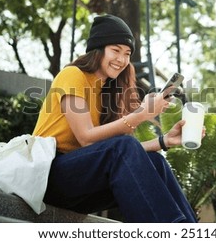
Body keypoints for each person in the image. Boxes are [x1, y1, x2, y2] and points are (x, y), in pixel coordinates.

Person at [33, 14, 201, 223]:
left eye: (127, 53)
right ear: (99, 49)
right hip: (48, 177)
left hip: (79, 182)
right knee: (124, 145)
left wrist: (164, 141)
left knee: (155, 161)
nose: (122, 60)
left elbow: (118, 154)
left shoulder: (107, 92)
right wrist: (141, 114)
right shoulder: (73, 75)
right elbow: (86, 138)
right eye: (115, 50)